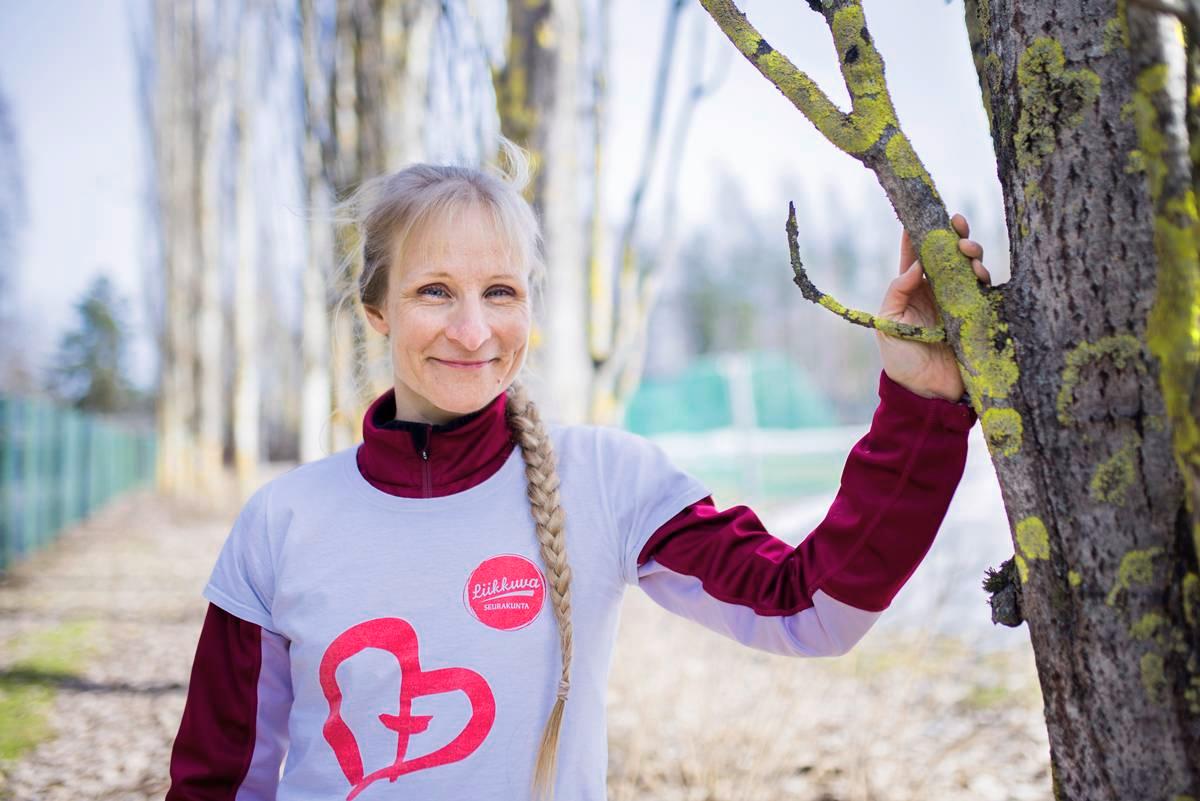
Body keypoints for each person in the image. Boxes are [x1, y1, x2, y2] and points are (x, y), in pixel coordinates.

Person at [165, 138, 992, 801]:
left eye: (499, 291)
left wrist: (918, 402)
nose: (472, 329)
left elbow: (810, 607)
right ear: (376, 309)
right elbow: (214, 780)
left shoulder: (604, 479)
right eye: (433, 292)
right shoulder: (283, 523)